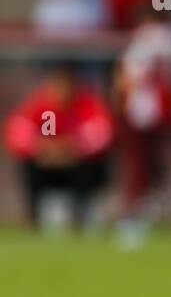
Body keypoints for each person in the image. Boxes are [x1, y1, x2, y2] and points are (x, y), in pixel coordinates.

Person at [5, 64, 114, 229]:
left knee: (88, 168)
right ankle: (33, 218)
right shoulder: (38, 106)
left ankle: (80, 216)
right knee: (28, 166)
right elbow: (17, 132)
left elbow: (102, 133)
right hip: (47, 166)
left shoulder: (87, 105)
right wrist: (42, 148)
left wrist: (73, 148)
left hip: (77, 165)